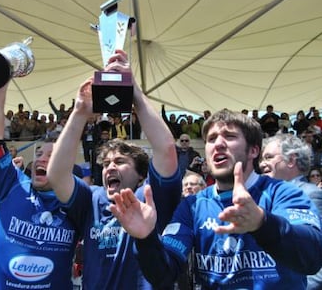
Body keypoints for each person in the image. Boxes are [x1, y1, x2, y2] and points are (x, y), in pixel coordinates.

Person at [110, 109, 322, 289]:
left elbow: (312, 258)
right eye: (211, 139)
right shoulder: (192, 206)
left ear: (254, 150)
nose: (218, 144)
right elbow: (165, 275)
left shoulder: (283, 193)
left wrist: (262, 223)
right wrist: (146, 239)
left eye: (229, 136)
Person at [47, 49, 182, 289]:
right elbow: (56, 175)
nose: (110, 167)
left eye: (120, 162)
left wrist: (134, 92)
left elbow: (166, 150)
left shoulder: (149, 196)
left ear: (141, 174)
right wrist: (79, 113)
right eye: (106, 163)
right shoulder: (92, 198)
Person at [0, 81, 80, 289]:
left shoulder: (80, 200)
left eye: (51, 156)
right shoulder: (12, 183)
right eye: (39, 154)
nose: (41, 160)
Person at [259, 133, 322, 290]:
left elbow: (315, 253)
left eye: (268, 157)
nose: (261, 164)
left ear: (291, 160)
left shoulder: (309, 194)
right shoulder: (265, 196)